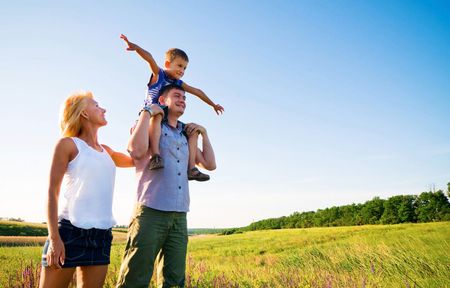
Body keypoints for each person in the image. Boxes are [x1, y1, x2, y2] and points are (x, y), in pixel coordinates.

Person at [116, 84, 216, 288]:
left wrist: (204, 134)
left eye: (185, 98)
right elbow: (135, 151)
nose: (183, 100)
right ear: (162, 101)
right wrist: (146, 112)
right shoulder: (151, 126)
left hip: (179, 215)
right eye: (177, 95)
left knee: (174, 280)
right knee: (135, 277)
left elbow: (210, 164)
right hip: (151, 212)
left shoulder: (184, 135)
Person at [39, 91, 134, 288]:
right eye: (97, 105)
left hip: (101, 235)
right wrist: (54, 238)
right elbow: (51, 193)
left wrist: (142, 127)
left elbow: (138, 160)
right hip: (68, 233)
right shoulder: (68, 145)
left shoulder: (107, 151)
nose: (104, 109)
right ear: (83, 113)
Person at [120, 34, 222, 181]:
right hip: (152, 113)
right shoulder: (159, 74)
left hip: (167, 118)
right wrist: (135, 48)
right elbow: (150, 58)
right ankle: (156, 156)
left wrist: (213, 104)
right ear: (168, 64)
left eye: (185, 68)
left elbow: (197, 91)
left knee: (192, 132)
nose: (182, 71)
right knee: (159, 114)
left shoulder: (179, 83)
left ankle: (191, 168)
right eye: (179, 66)